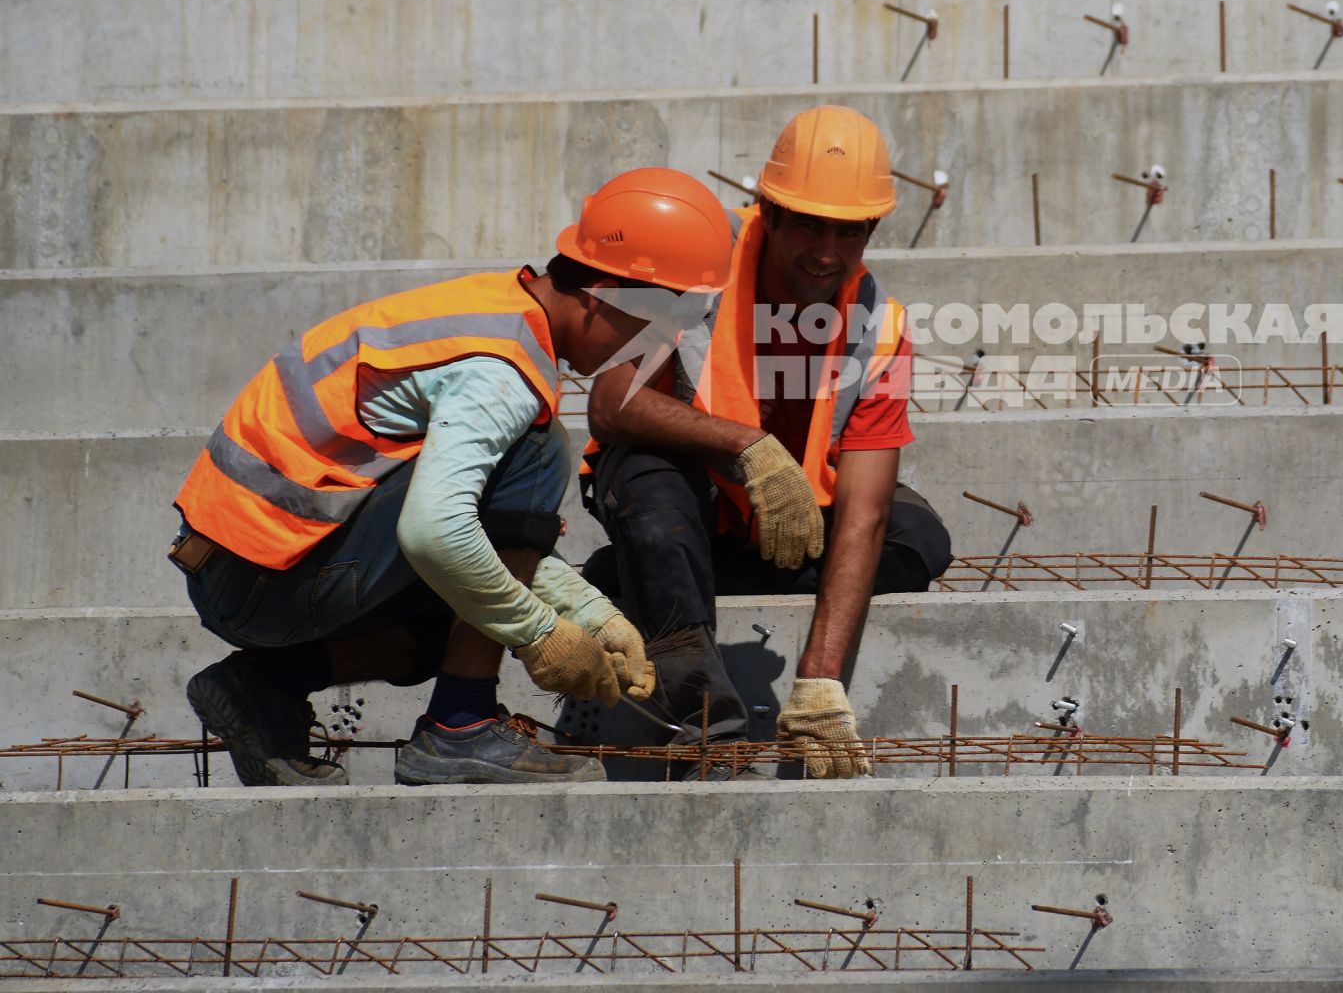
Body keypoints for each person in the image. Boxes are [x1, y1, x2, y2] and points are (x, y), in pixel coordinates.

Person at [169, 169, 734, 785]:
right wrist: (542, 633)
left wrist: (591, 614)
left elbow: (470, 545)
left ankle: (264, 687)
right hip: (268, 573)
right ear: (601, 293)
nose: (655, 344)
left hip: (248, 568)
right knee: (540, 451)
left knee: (475, 602)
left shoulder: (501, 311)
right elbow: (437, 532)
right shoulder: (503, 368)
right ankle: (461, 728)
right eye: (658, 320)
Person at [578, 106, 951, 780]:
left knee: (915, 538)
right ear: (768, 211)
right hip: (682, 495)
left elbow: (863, 511)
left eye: (849, 231)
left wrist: (819, 680)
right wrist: (747, 447)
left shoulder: (880, 325)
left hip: (781, 525)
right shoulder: (699, 263)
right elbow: (610, 403)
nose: (827, 251)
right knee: (652, 493)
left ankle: (645, 575)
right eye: (808, 223)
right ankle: (695, 711)